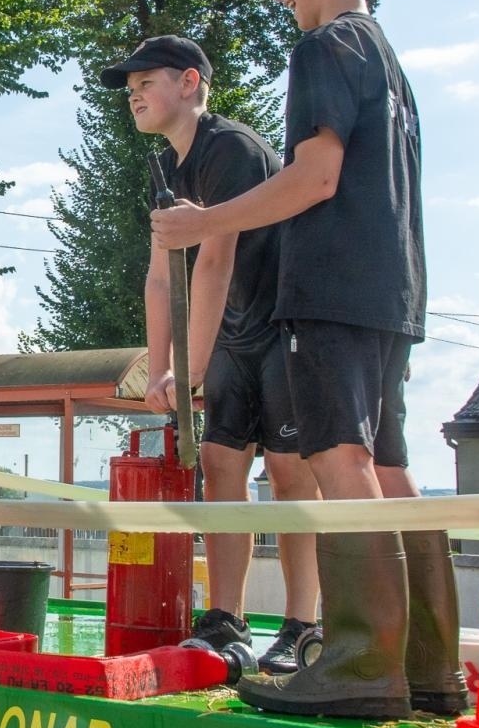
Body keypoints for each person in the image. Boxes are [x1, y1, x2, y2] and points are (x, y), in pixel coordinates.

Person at [151, 0, 465, 719]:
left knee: (336, 460)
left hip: (330, 286)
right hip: (393, 290)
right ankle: (428, 666)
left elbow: (315, 177)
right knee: (389, 465)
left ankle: (362, 662)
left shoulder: (324, 47)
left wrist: (204, 221)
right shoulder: (389, 61)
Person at [100, 34, 320, 674]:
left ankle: (304, 625)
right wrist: (156, 366)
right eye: (130, 87)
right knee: (222, 464)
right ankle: (227, 621)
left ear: (190, 83)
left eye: (147, 82)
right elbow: (162, 274)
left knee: (289, 474)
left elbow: (216, 259)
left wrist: (189, 372)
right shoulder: (165, 167)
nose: (135, 95)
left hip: (284, 323)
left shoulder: (232, 150)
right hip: (232, 333)